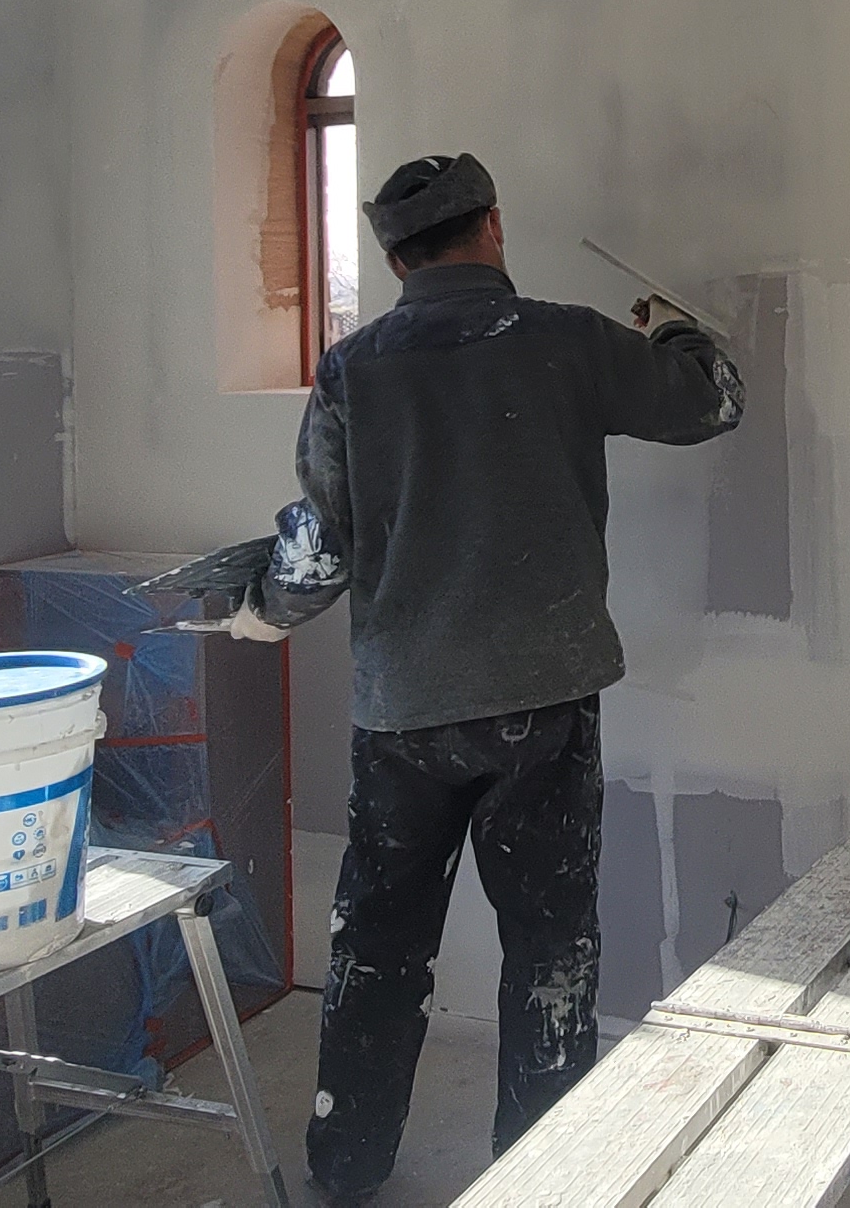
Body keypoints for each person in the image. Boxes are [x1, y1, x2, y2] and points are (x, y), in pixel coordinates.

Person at [226, 152, 743, 1205]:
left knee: (379, 944)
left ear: (393, 259)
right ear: (493, 226)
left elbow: (319, 556)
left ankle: (347, 1164)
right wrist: (678, 332)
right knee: (550, 947)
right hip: (543, 703)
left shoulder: (352, 370)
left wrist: (254, 610)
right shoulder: (566, 340)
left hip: (404, 714)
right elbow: (710, 403)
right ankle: (545, 1181)